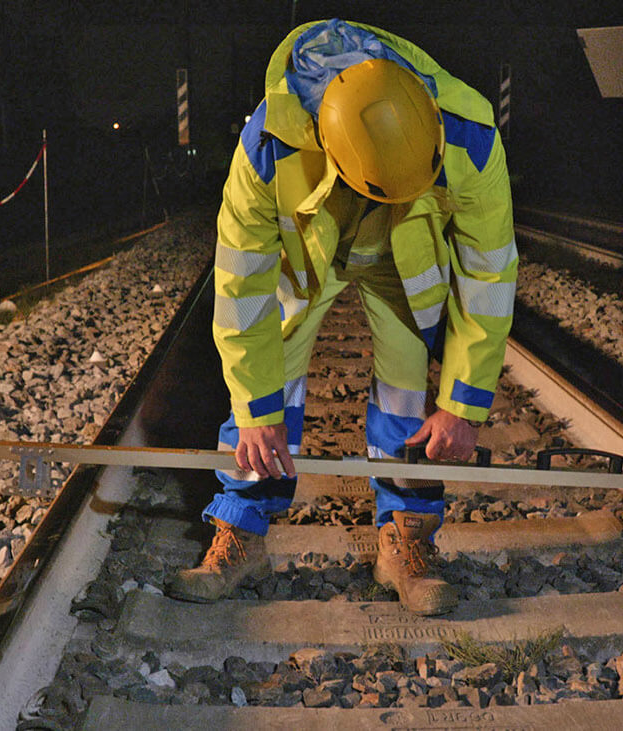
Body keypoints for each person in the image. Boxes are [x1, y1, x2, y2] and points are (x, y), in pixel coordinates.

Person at [167, 19, 515, 616]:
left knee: (406, 383)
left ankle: (406, 535)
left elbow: (488, 276)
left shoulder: (469, 136)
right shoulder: (267, 150)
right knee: (269, 379)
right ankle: (243, 529)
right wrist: (256, 411)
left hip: (404, 250)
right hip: (315, 252)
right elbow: (242, 288)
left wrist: (463, 402)